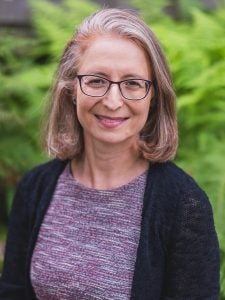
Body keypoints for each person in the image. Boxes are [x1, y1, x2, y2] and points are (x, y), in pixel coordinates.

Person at [0, 8, 220, 300]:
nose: (113, 101)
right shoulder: (35, 188)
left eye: (132, 83)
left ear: (154, 96)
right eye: (96, 80)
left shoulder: (183, 205)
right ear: (71, 89)